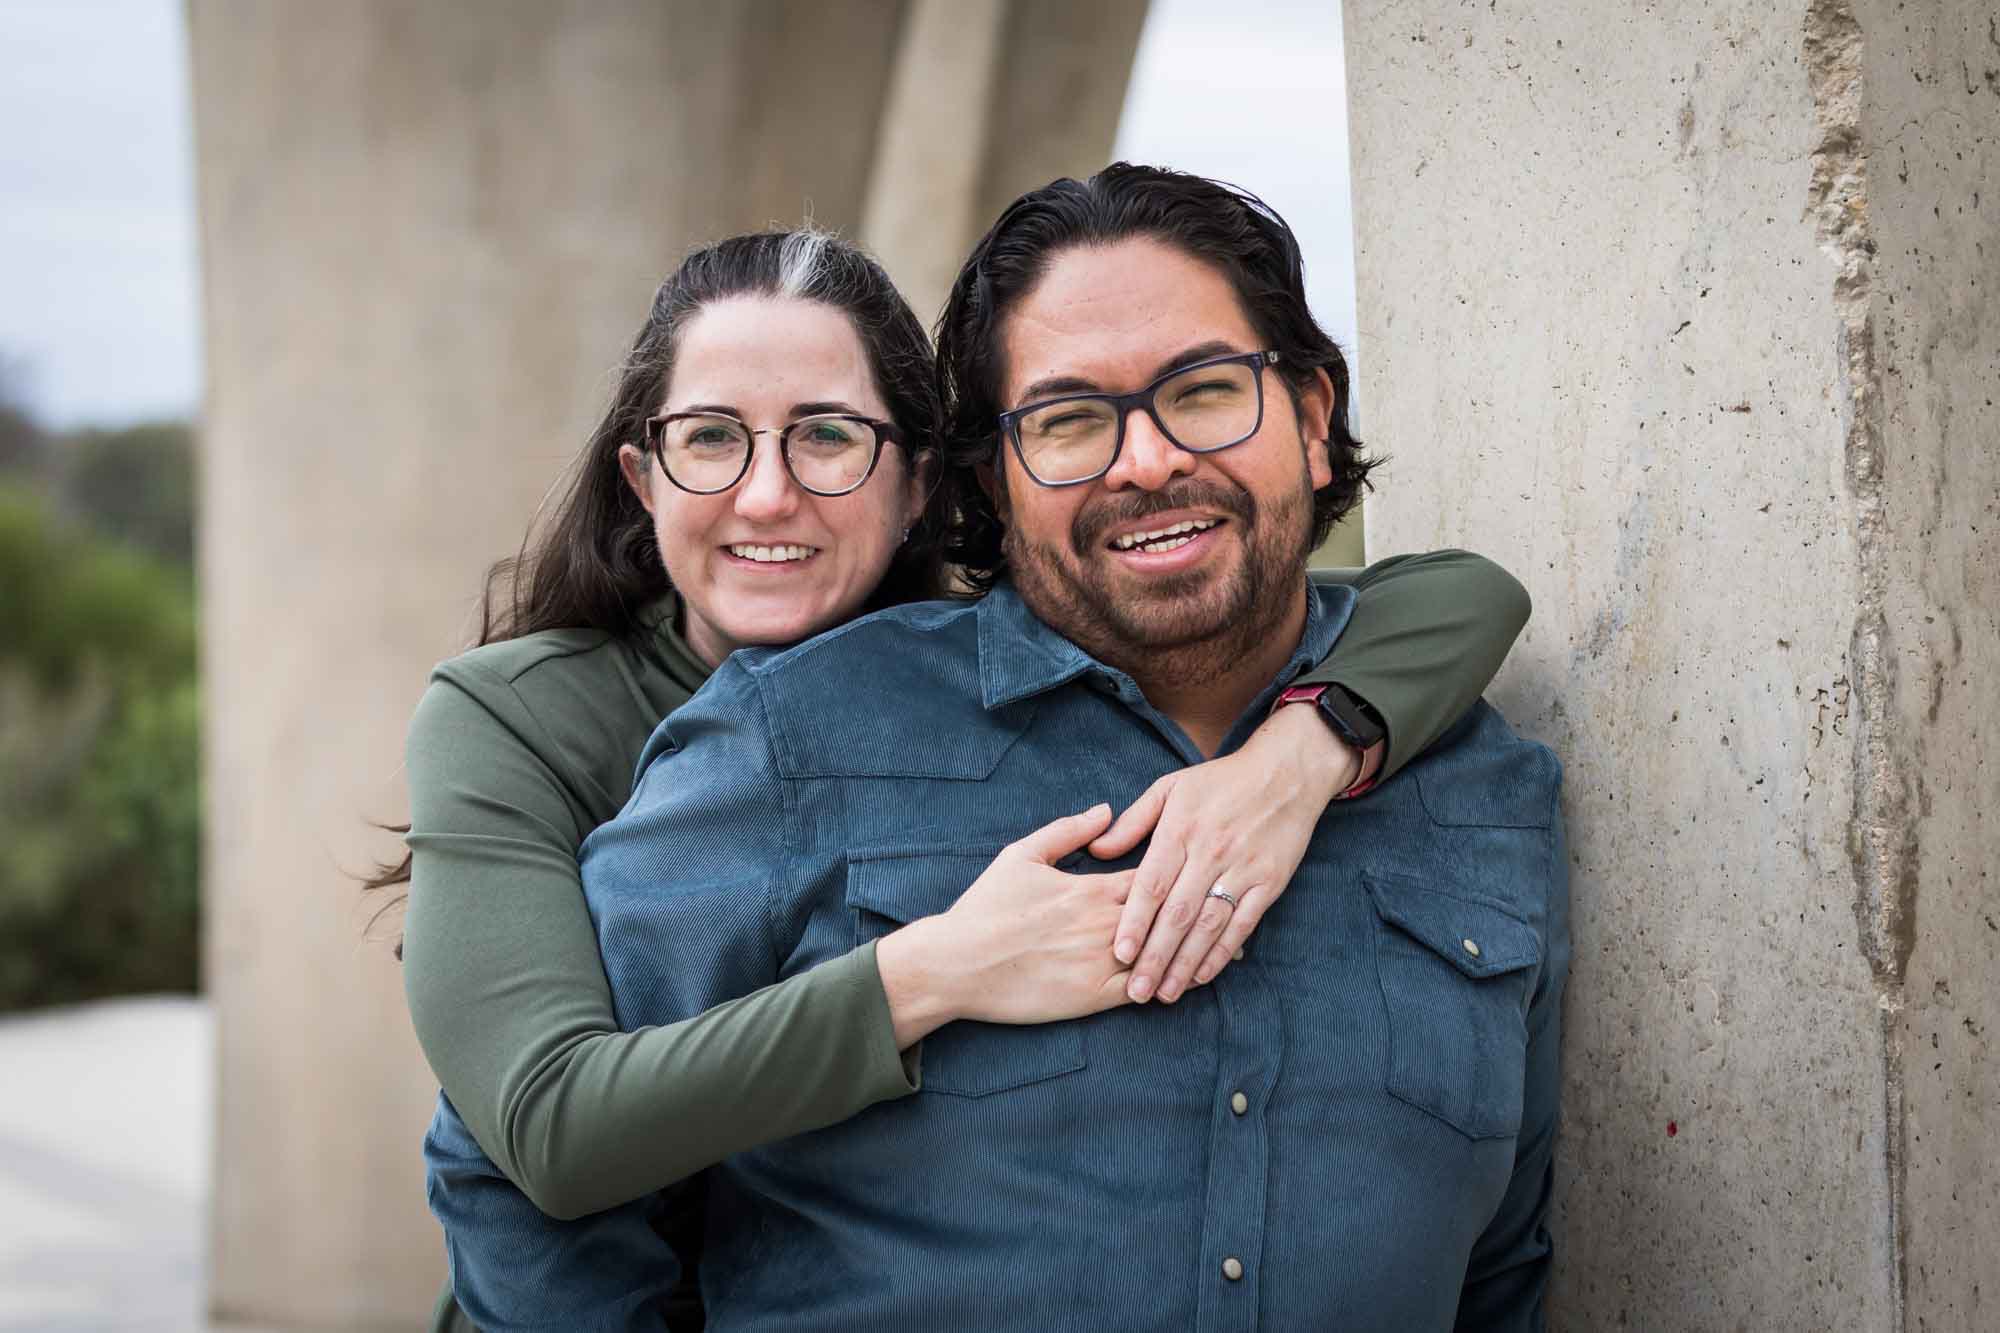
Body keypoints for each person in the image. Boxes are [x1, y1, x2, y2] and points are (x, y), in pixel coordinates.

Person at [408, 218, 1536, 1331]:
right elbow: (533, 1137)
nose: (764, 494)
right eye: (710, 438)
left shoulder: (981, 674)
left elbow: (1464, 591)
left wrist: (1300, 754)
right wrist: (938, 966)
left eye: (827, 437)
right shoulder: (544, 718)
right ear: (641, 476)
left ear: (919, 485)